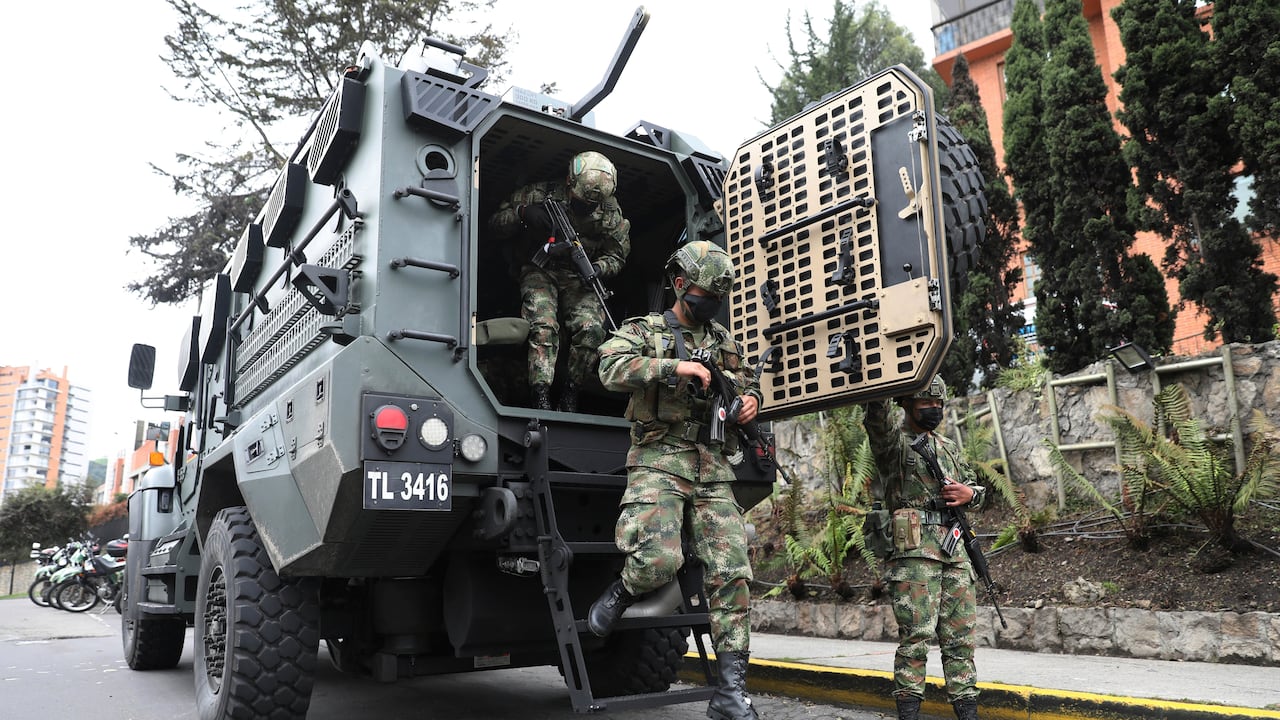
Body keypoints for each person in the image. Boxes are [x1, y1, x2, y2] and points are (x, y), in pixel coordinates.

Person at [587, 240, 763, 720]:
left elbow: (746, 383)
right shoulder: (643, 330)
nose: (713, 304)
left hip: (711, 462)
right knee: (658, 560)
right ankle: (623, 591)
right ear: (681, 285)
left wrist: (750, 402)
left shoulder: (722, 339)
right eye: (707, 293)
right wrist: (673, 365)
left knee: (732, 572)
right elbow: (607, 366)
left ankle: (729, 693)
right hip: (659, 456)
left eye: (719, 297)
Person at [862, 375, 988, 720]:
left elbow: (976, 488)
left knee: (961, 640)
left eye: (938, 404)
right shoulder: (895, 445)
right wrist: (880, 381)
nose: (934, 409)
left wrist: (969, 494)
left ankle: (968, 713)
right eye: (925, 403)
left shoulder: (948, 445)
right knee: (916, 639)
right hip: (916, 553)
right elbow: (878, 420)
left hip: (956, 550)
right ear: (906, 403)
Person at [488, 150, 631, 412]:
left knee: (591, 330)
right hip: (539, 268)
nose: (586, 207)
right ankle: (540, 394)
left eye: (592, 205)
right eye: (582, 201)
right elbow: (494, 225)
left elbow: (617, 256)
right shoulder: (539, 194)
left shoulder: (611, 215)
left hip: (579, 277)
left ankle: (571, 393)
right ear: (569, 181)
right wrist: (522, 214)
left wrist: (597, 268)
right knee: (543, 325)